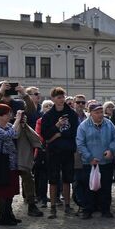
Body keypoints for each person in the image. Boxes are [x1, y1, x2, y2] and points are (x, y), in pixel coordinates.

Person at [41, 87, 80, 217]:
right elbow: (45, 135)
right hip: (53, 152)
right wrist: (57, 126)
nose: (61, 100)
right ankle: (52, 207)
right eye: (58, 97)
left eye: (63, 97)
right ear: (53, 99)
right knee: (53, 179)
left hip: (68, 150)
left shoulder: (72, 114)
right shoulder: (48, 116)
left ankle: (67, 206)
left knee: (67, 179)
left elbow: (74, 133)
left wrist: (58, 135)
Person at [75, 102, 115, 219]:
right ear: (90, 113)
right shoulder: (83, 126)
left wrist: (111, 150)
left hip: (106, 162)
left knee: (106, 187)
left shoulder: (109, 124)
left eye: (101, 112)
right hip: (89, 162)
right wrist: (89, 157)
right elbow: (80, 144)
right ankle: (87, 209)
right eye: (97, 112)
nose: (100, 115)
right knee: (88, 187)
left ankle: (105, 209)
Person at [0, 105, 24, 228]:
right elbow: (9, 135)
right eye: (7, 114)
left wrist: (20, 122)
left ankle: (9, 214)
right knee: (3, 192)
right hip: (1, 164)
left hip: (11, 163)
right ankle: (2, 217)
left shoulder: (7, 126)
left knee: (10, 192)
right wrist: (17, 120)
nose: (10, 116)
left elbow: (16, 134)